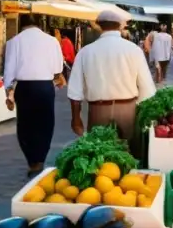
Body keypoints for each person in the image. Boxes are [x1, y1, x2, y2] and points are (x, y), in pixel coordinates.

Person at [67, 11, 156, 152]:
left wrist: (76, 119)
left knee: (99, 156)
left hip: (98, 111)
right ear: (120, 27)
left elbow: (74, 92)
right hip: (128, 110)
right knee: (129, 155)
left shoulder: (86, 52)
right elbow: (147, 89)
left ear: (98, 26)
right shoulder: (134, 50)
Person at [3, 14, 65, 178]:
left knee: (25, 124)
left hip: (25, 87)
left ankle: (32, 160)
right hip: (45, 86)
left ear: (21, 24)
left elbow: (9, 70)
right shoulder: (52, 41)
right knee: (45, 123)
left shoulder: (14, 41)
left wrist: (8, 93)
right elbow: (58, 67)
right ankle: (40, 160)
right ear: (40, 24)